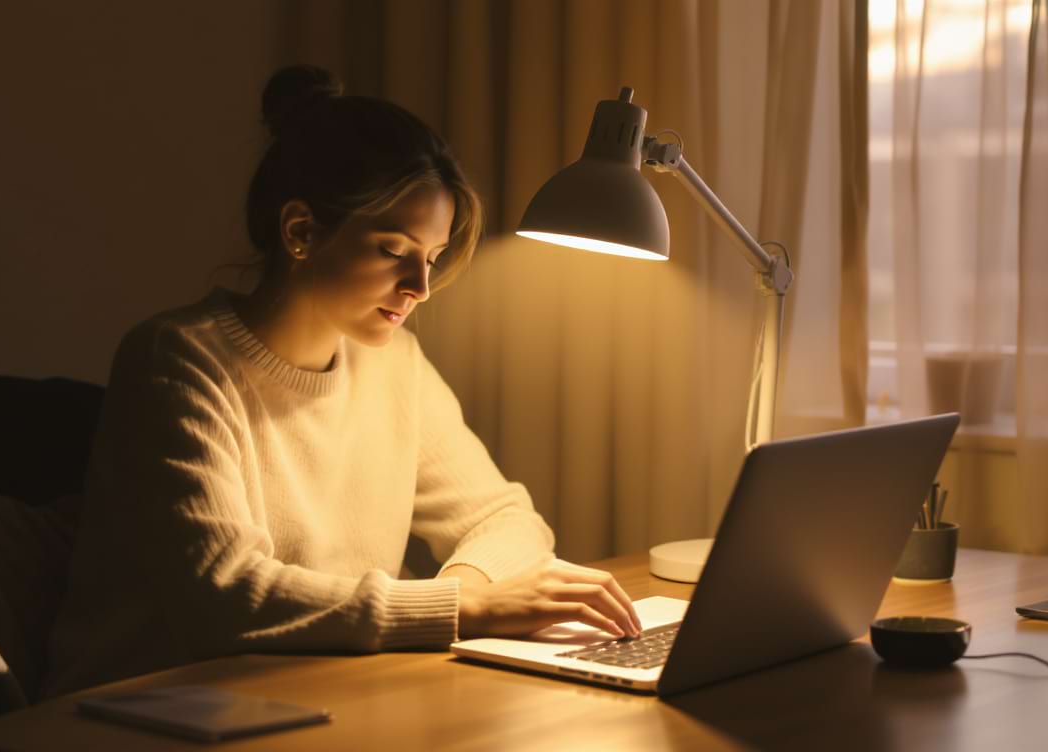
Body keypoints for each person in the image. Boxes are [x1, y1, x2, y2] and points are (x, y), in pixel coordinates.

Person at [41, 65, 641, 698]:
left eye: (431, 258)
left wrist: (464, 589)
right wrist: (467, 609)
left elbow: (504, 517)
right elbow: (223, 592)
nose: (420, 287)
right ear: (300, 231)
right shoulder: (177, 359)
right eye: (392, 250)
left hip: (321, 689)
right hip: (146, 707)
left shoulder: (393, 362)